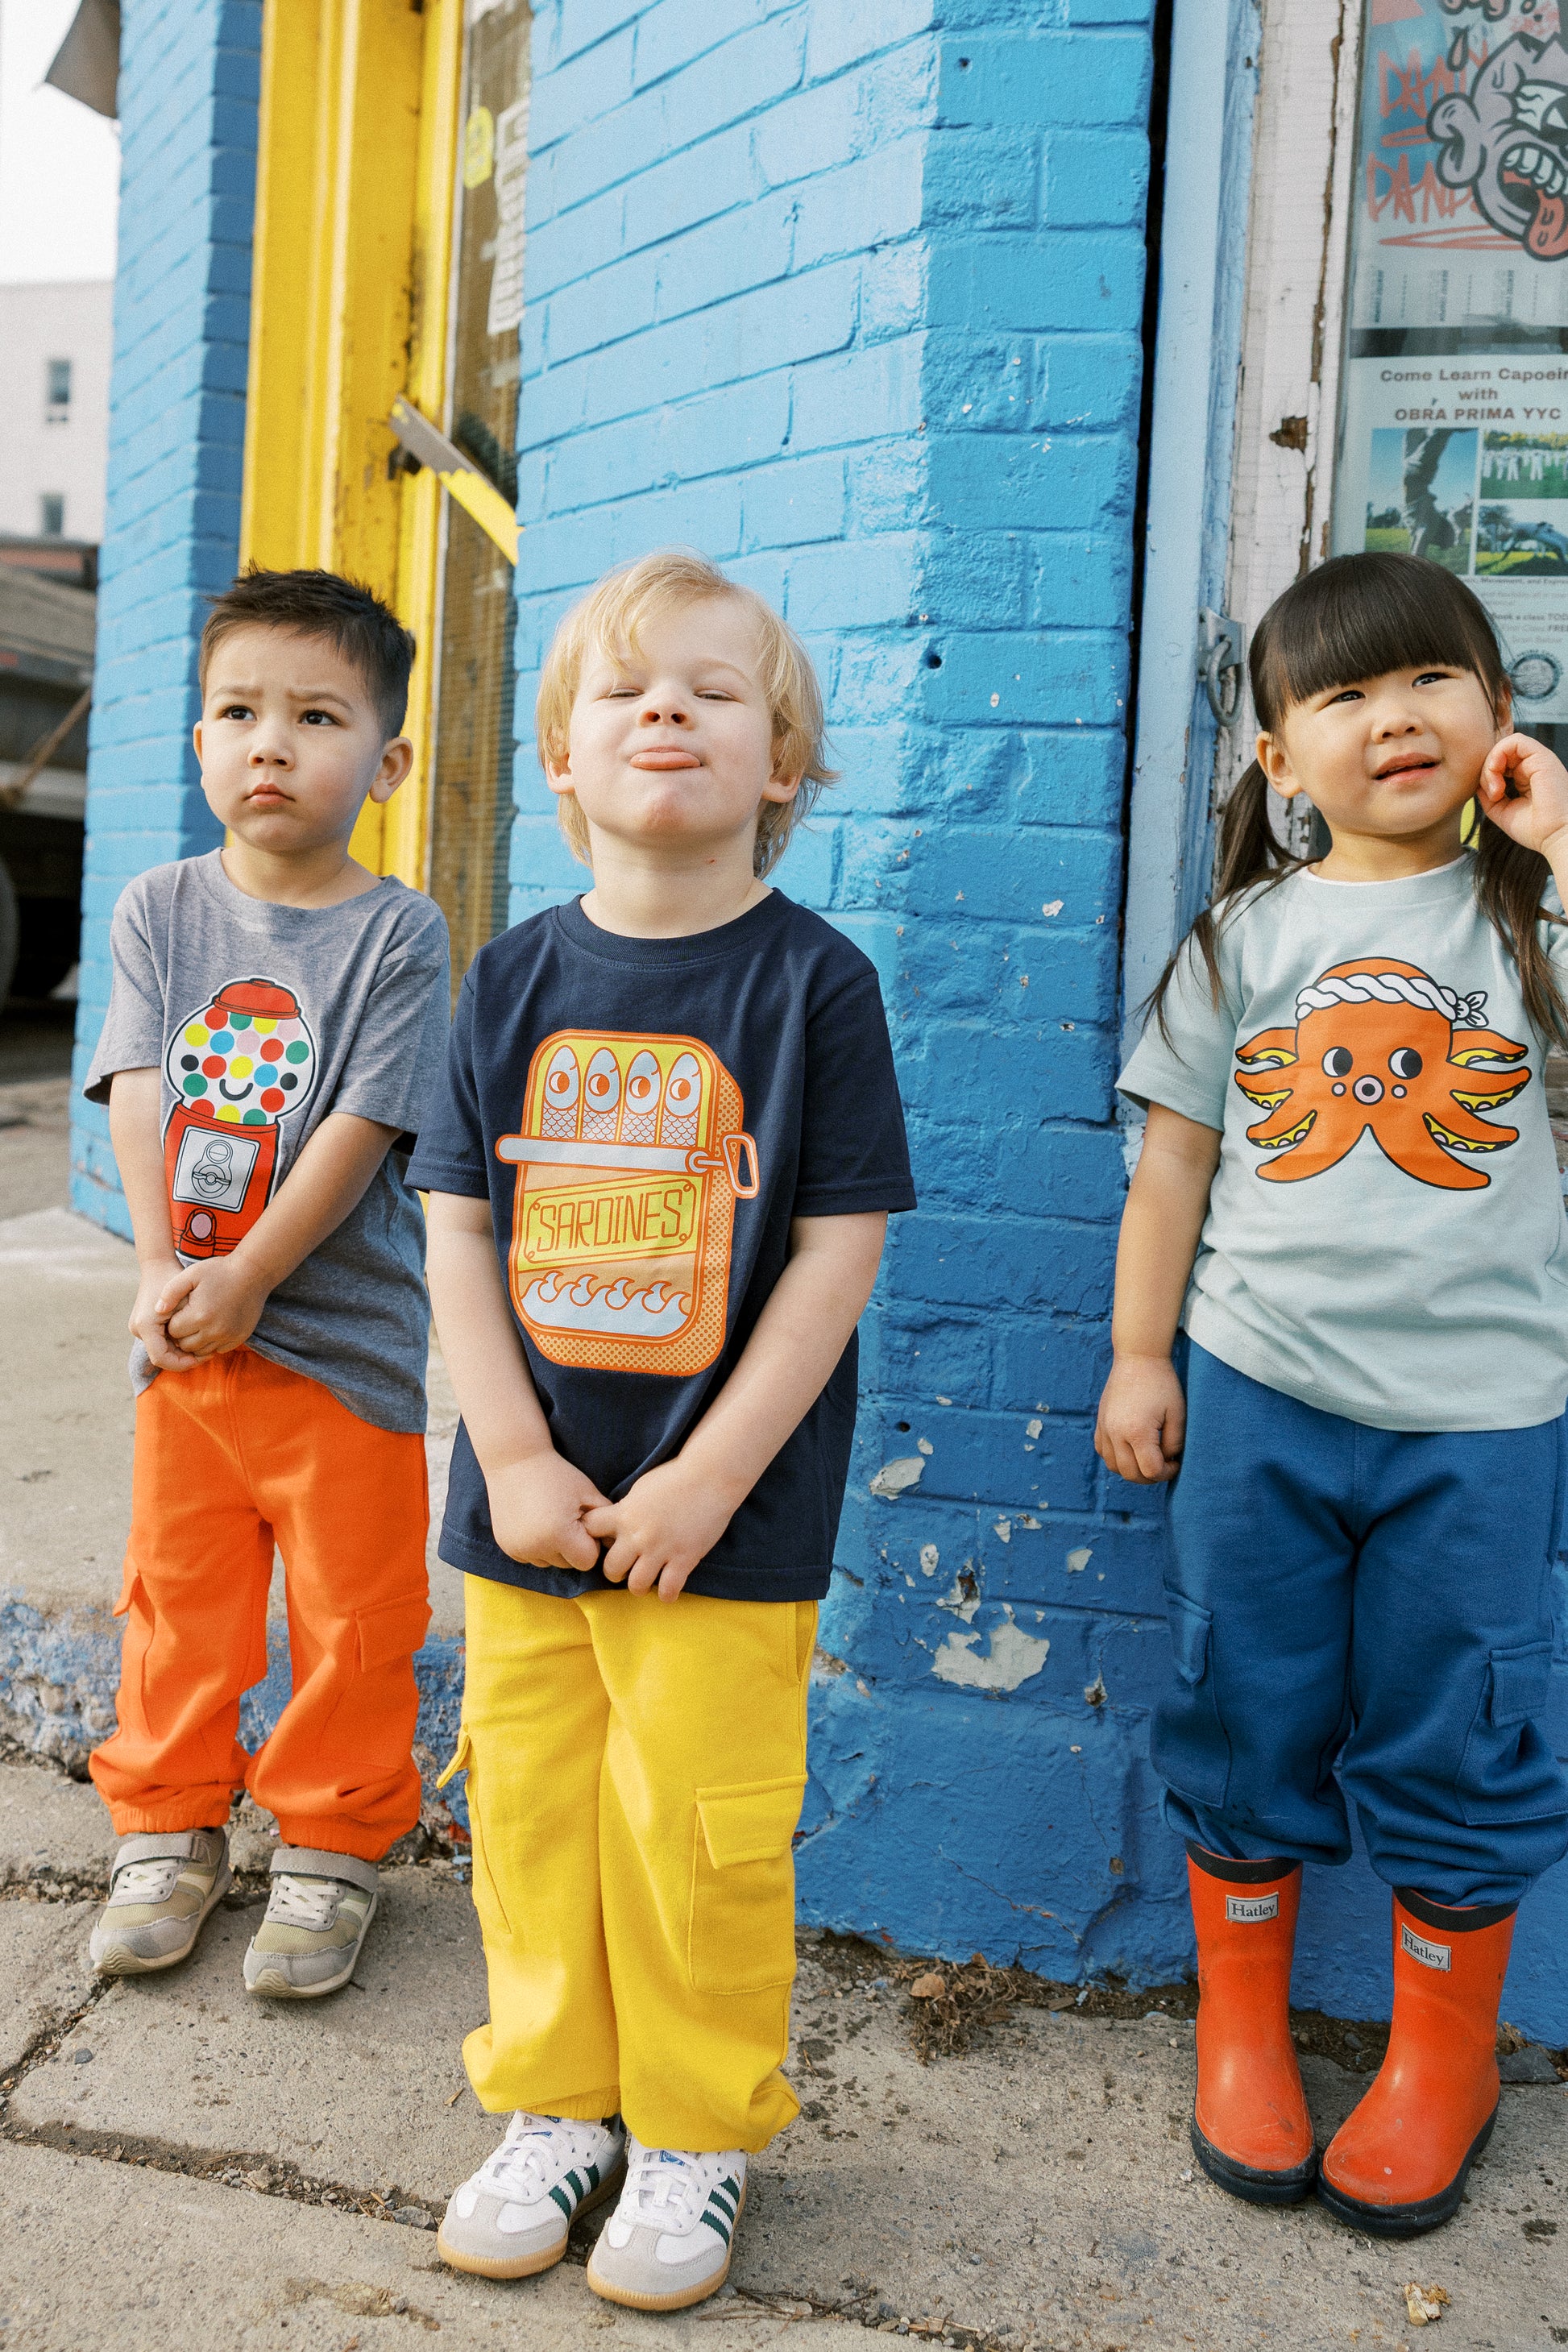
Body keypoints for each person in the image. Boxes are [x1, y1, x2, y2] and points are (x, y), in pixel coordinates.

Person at [411, 548, 915, 2310]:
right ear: (563, 755)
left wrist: (709, 1472)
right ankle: (554, 2101)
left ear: (785, 762)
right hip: (529, 1510)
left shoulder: (815, 985)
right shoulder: (506, 977)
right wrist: (513, 1455)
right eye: (625, 690)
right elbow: (457, 1227)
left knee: (700, 1826)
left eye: (714, 690)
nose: (666, 713)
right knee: (535, 1810)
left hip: (726, 1518)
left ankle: (696, 2127)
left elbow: (836, 1250)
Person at [1097, 550, 1568, 2238]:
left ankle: (1444, 2059)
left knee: (1464, 1722)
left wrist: (1558, 845)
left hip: (1485, 1416)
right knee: (1244, 1698)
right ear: (1278, 757)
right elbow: (1173, 1166)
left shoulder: (1528, 923)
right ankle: (1240, 2026)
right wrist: (1139, 1353)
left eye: (1432, 677)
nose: (1395, 717)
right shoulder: (1246, 937)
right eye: (1345, 694)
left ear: (1496, 710)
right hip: (1259, 1394)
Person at [83, 567, 450, 1999]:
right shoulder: (160, 907)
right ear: (200, 743)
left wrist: (254, 1270)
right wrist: (165, 1264)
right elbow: (138, 1082)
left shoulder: (397, 933)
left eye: (315, 716)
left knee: (355, 1615)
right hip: (186, 1343)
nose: (270, 745)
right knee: (180, 1599)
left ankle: (332, 1843)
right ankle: (167, 1826)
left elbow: (362, 1123)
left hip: (342, 1348)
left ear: (386, 762)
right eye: (238, 713)